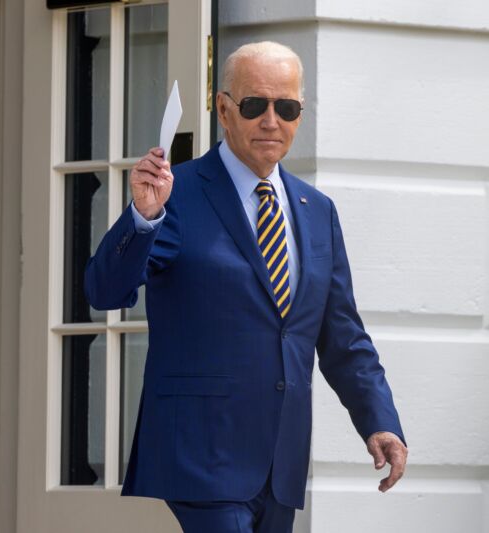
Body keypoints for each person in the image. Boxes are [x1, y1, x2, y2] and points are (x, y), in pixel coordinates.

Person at [84, 41, 407, 533]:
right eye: (255, 105)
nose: (271, 121)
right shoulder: (178, 193)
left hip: (280, 458)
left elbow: (343, 337)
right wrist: (143, 217)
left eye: (287, 108)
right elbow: (104, 292)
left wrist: (379, 420)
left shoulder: (316, 211)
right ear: (224, 110)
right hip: (199, 454)